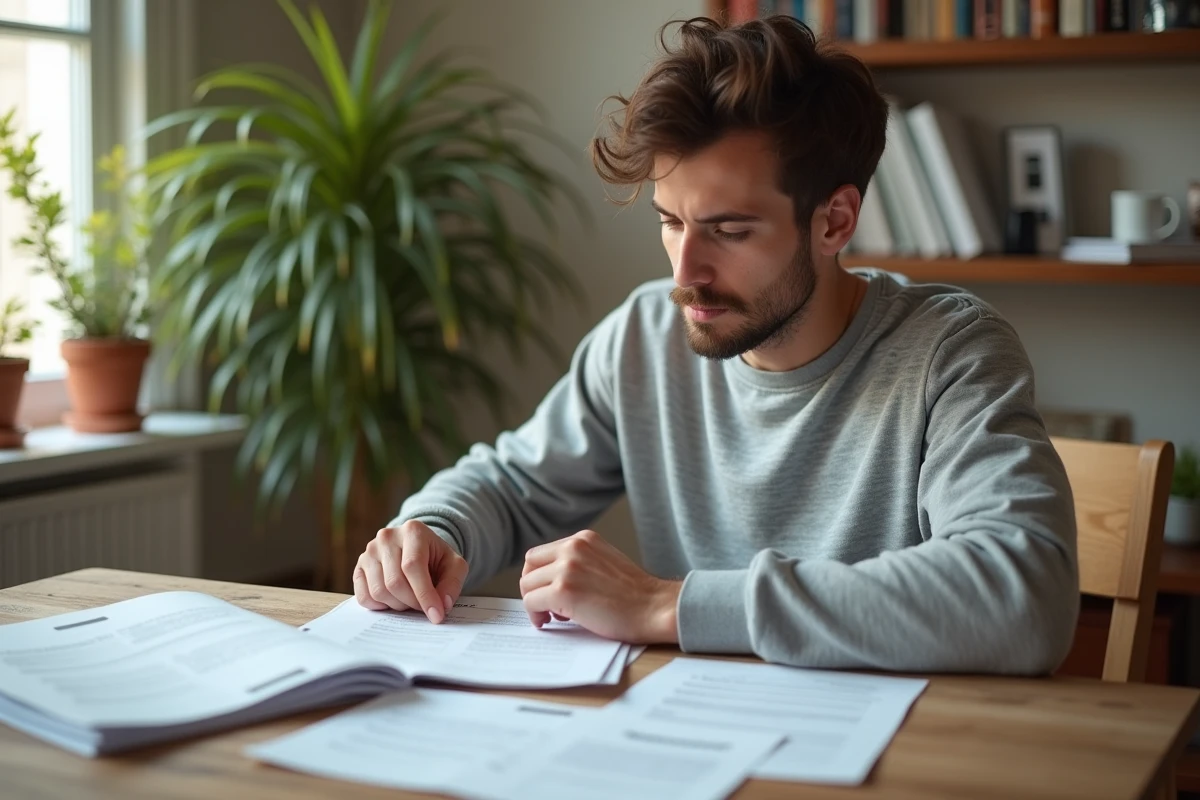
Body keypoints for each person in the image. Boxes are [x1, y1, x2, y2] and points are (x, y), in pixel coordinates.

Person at [353, 15, 1079, 674]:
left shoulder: (952, 352)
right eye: (670, 220)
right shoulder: (643, 338)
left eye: (729, 231)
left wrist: (667, 607)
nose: (685, 272)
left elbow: (1021, 595)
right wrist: (431, 528)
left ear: (834, 222)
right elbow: (514, 486)